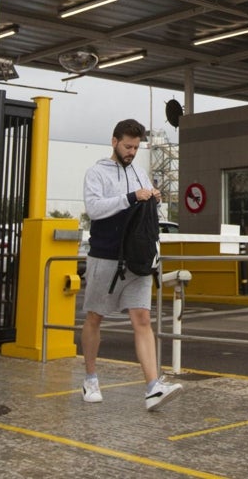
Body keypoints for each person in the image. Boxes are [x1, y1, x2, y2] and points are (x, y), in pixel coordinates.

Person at [80, 118, 183, 411]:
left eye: (136, 147)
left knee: (142, 319)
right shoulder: (96, 172)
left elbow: (144, 208)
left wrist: (154, 198)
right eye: (128, 146)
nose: (132, 152)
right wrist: (129, 197)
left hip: (137, 259)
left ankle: (153, 387)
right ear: (114, 142)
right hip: (105, 256)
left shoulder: (140, 172)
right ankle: (90, 379)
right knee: (95, 317)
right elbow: (95, 209)